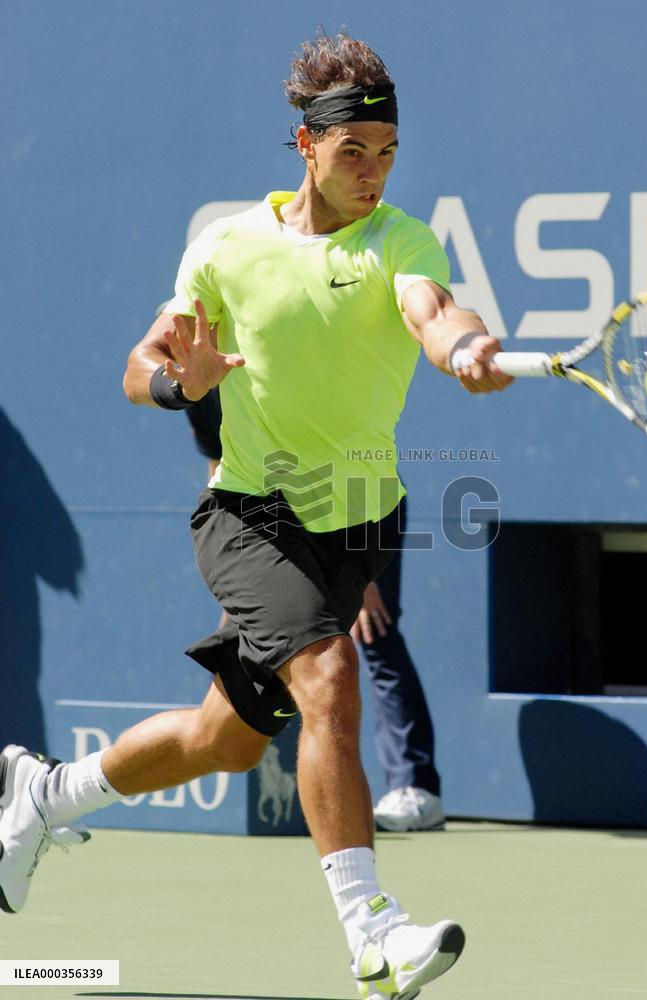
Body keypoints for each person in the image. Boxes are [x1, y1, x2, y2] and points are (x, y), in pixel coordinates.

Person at [0, 32, 511, 1000]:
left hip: (360, 521)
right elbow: (136, 367)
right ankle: (373, 931)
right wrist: (174, 382)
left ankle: (47, 792)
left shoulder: (401, 239)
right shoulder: (228, 247)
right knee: (329, 674)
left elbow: (434, 310)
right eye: (353, 151)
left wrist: (466, 347)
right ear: (305, 146)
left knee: (227, 742)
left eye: (389, 151)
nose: (373, 171)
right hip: (251, 511)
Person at [185, 387, 445, 832]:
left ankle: (415, 786)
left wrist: (359, 574)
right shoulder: (197, 390)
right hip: (271, 512)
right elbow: (220, 468)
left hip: (357, 497)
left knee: (371, 632)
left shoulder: (276, 357)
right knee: (271, 645)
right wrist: (242, 581)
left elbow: (346, 445)